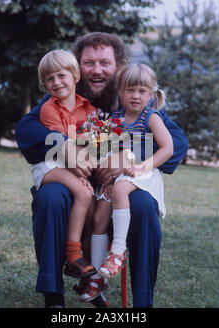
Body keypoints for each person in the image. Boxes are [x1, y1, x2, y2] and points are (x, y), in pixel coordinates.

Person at [15, 32, 188, 308]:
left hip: (117, 186)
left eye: (104, 63)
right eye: (89, 63)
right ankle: (53, 297)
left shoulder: (133, 98)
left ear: (118, 67)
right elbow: (26, 129)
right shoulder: (66, 94)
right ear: (76, 69)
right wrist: (63, 145)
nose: (97, 70)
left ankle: (143, 302)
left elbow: (177, 143)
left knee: (143, 203)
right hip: (77, 183)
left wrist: (128, 155)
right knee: (50, 196)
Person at [80, 63, 173, 302]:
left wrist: (143, 166)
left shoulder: (151, 117)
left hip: (142, 172)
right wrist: (105, 172)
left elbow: (168, 148)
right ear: (120, 92)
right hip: (119, 174)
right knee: (99, 216)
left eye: (142, 91)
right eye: (130, 90)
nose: (136, 96)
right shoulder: (115, 117)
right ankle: (99, 276)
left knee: (121, 188)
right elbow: (104, 150)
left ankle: (118, 251)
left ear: (151, 95)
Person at [33, 49, 97, 280]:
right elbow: (61, 149)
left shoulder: (89, 109)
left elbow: (93, 144)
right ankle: (72, 256)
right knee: (83, 192)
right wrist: (80, 178)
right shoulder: (49, 109)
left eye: (62, 76)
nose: (56, 82)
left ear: (76, 76)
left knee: (92, 207)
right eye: (50, 79)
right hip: (50, 166)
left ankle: (92, 274)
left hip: (75, 167)